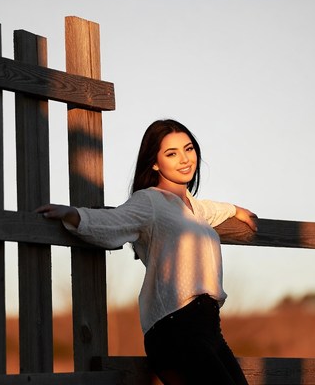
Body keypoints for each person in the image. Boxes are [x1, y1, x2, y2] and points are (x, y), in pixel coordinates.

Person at [36, 119, 257, 384]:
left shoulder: (193, 209)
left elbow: (212, 209)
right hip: (176, 328)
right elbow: (113, 222)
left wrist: (235, 210)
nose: (184, 159)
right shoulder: (149, 201)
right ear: (154, 162)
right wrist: (74, 215)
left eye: (188, 149)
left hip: (209, 328)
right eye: (171, 153)